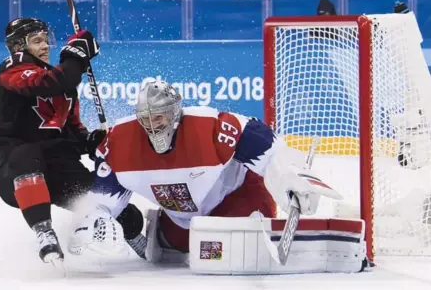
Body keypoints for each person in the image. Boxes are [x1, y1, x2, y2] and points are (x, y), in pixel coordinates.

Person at [67, 80, 343, 267]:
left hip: (235, 197)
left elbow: (264, 144)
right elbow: (104, 195)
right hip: (183, 217)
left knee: (242, 244)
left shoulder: (209, 126)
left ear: (175, 113)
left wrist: (289, 177)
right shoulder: (120, 141)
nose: (152, 125)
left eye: (159, 117)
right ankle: (163, 231)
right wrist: (94, 219)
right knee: (172, 249)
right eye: (146, 119)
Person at [0, 17, 142, 265]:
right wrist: (76, 56)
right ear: (18, 47)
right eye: (37, 41)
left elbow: (72, 132)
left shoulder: (62, 84)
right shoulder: (12, 67)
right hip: (17, 174)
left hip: (58, 172)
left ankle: (143, 243)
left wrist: (92, 142)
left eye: (46, 40)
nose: (46, 45)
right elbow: (48, 83)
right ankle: (43, 231)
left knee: (110, 203)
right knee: (27, 155)